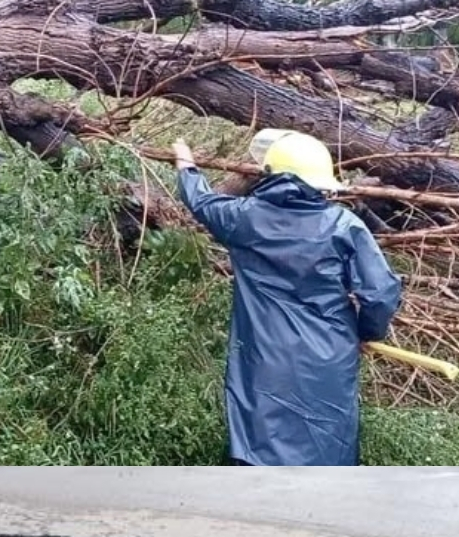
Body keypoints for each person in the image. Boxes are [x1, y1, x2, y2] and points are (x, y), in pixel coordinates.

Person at [171, 131, 403, 466]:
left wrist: (185, 163)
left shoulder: (243, 218)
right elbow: (380, 293)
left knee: (261, 444)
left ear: (271, 175)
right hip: (329, 355)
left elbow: (201, 201)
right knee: (327, 447)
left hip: (265, 358)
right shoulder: (342, 226)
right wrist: (366, 332)